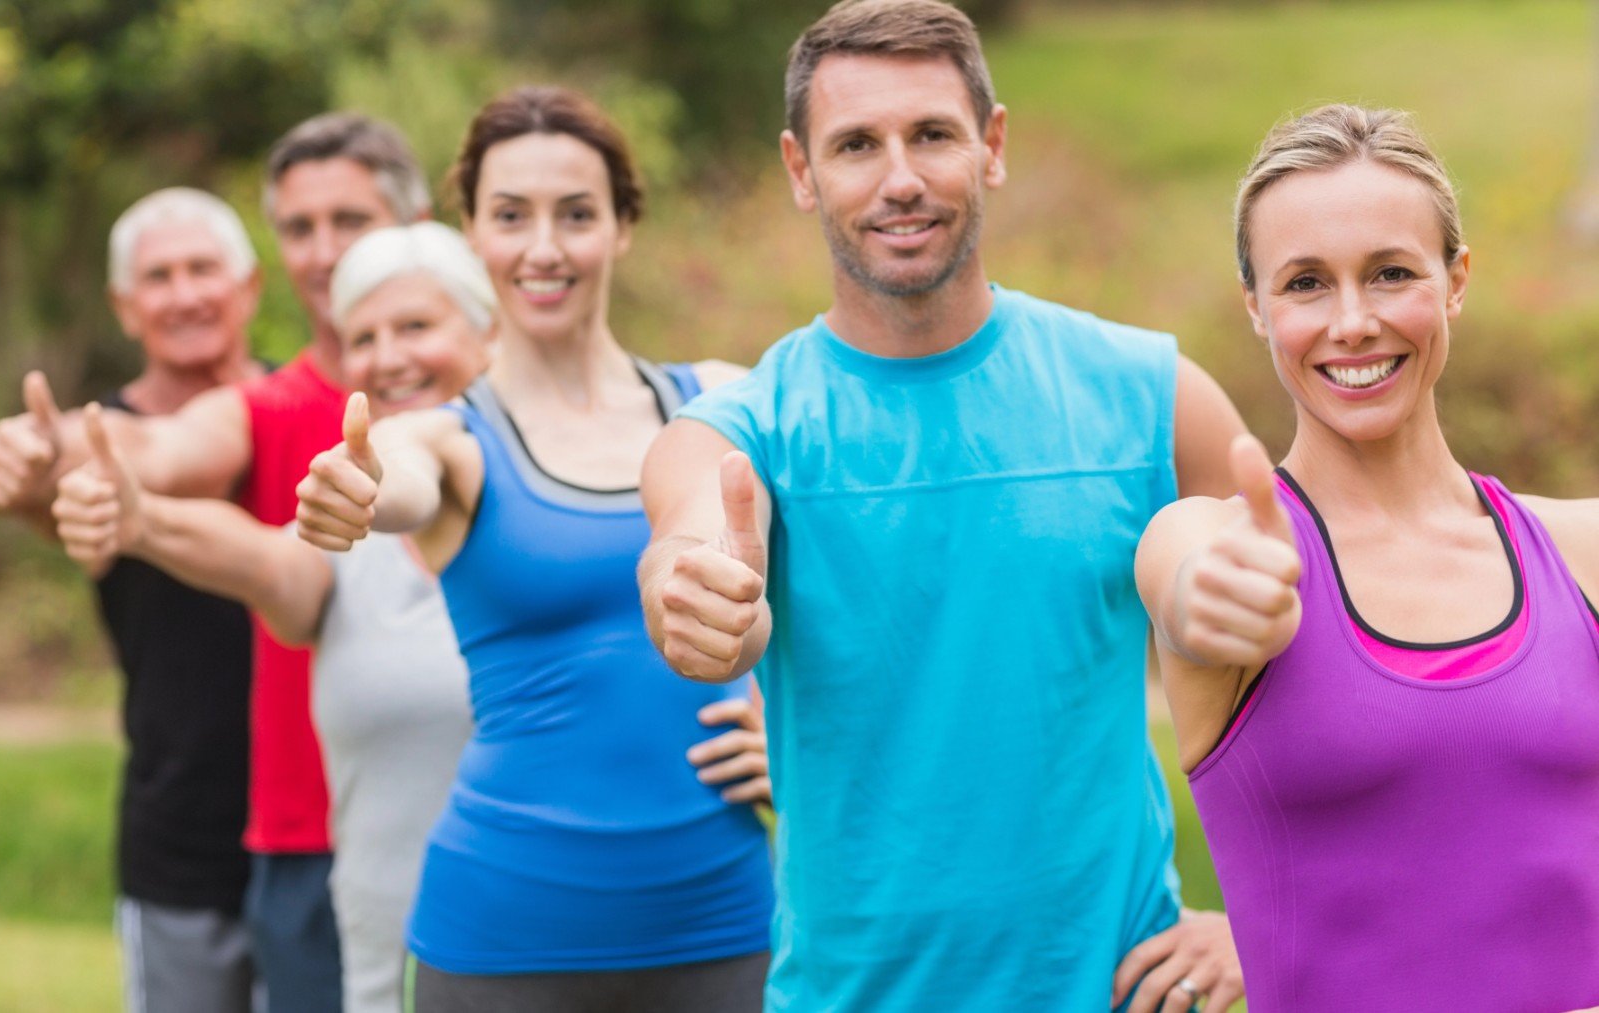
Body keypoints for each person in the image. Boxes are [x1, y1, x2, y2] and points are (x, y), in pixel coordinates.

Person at [635, 0, 1251, 1009]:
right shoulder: (742, 428)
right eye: (856, 144)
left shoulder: (1150, 392)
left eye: (930, 134)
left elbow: (1316, 661)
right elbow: (690, 535)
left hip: (1119, 989)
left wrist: (1263, 914)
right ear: (801, 170)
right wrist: (700, 592)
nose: (901, 177)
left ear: (992, 145)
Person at [0, 112, 434, 1013]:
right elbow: (126, 459)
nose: (325, 251)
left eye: (350, 221)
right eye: (301, 226)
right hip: (239, 832)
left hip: (430, 828)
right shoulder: (259, 410)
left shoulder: (478, 409)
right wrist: (11, 452)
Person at [295, 86, 775, 1012]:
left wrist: (798, 732)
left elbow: (851, 592)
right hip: (506, 936)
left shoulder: (723, 399)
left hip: (726, 923)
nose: (544, 247)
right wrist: (356, 488)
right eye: (512, 215)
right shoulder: (450, 437)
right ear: (471, 231)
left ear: (623, 226)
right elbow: (399, 472)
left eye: (577, 214)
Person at [1135, 104, 1599, 1011]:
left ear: (1456, 280)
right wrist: (1214, 598)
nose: (1353, 321)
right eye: (1306, 283)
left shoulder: (1582, 550)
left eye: (1391, 273)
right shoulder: (1218, 544)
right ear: (1257, 307)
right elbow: (1186, 579)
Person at [53, 222, 490, 1013]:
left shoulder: (570, 493)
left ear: (488, 329)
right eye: (364, 338)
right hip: (381, 947)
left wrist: (759, 718)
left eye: (417, 327)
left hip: (567, 920)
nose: (390, 356)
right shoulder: (340, 525)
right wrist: (141, 517)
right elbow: (264, 560)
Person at [0, 187, 266, 1013]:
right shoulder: (102, 437)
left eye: (203, 269)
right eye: (158, 277)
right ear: (124, 309)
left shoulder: (307, 407)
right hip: (181, 837)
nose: (184, 293)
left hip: (320, 828)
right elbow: (55, 465)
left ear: (250, 288)